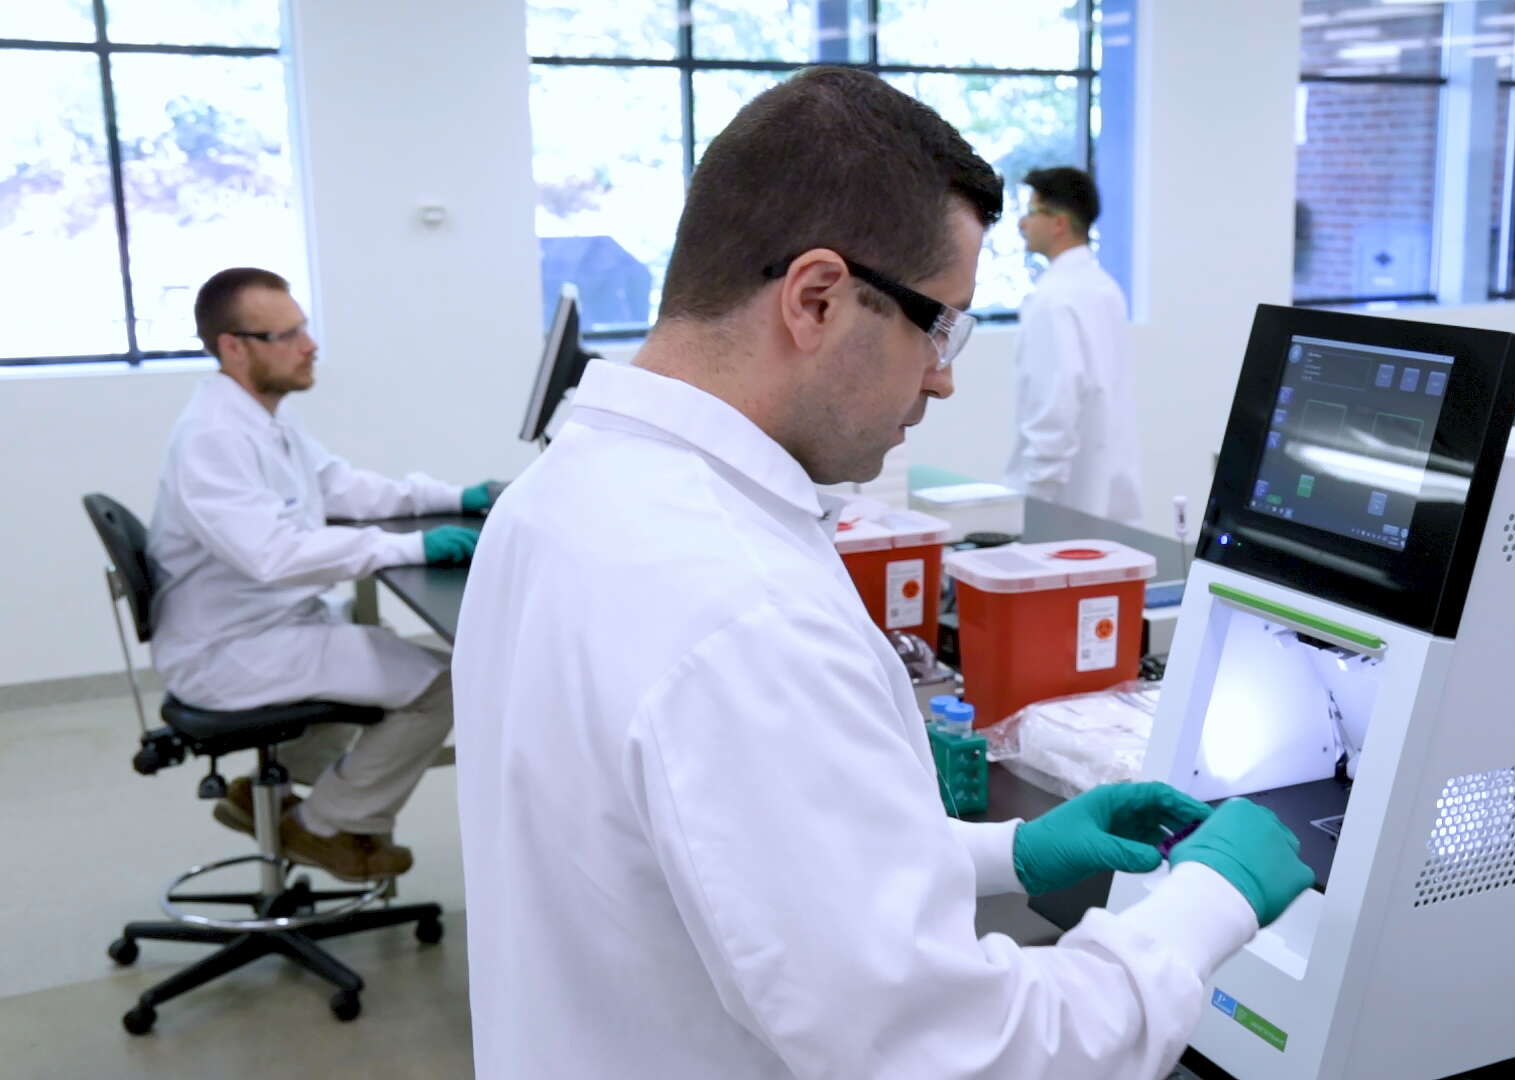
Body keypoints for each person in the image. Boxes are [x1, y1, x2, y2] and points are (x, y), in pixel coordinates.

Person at [453, 68, 1312, 1080]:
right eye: (940, 324)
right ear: (817, 298)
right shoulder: (744, 609)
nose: (944, 375)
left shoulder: (560, 497)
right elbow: (963, 1058)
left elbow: (754, 868)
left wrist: (1009, 853)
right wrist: (1206, 905)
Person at [145, 267, 493, 882]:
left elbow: (342, 487)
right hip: (231, 651)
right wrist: (413, 549)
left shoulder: (261, 418)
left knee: (380, 662)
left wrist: (457, 494)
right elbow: (273, 555)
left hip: (267, 628)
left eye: (304, 328)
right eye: (287, 335)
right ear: (234, 346)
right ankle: (328, 825)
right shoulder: (214, 437)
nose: (309, 346)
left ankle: (263, 798)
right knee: (444, 683)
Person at [1004, 165, 1146, 525]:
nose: (1023, 223)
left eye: (1032, 212)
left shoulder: (1054, 299)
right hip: (1111, 496)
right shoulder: (1105, 289)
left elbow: (1056, 406)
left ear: (1058, 223)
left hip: (1061, 504)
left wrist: (1035, 500)